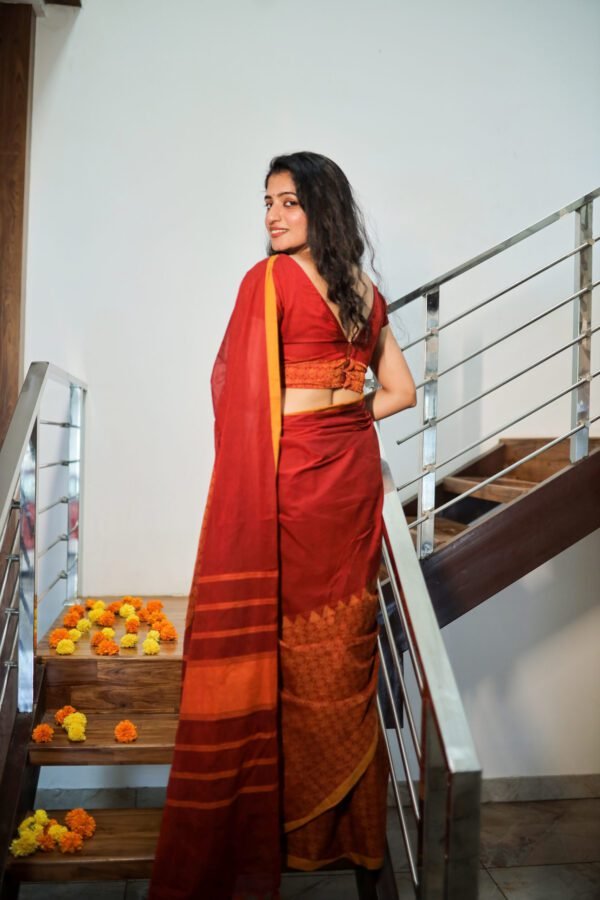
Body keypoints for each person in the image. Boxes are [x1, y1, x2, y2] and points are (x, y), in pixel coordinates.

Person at [149, 152, 417, 900]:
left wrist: (293, 438)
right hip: (350, 480)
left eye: (288, 201)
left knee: (293, 655)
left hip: (293, 482)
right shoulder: (364, 293)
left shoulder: (268, 282)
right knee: (340, 652)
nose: (272, 215)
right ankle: (348, 845)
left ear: (321, 207)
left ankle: (282, 834)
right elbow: (398, 392)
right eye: (267, 202)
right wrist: (344, 415)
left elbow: (235, 393)